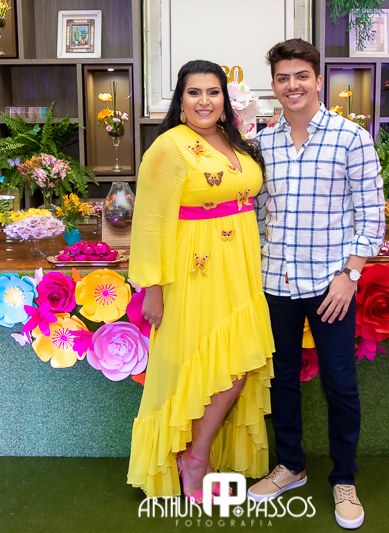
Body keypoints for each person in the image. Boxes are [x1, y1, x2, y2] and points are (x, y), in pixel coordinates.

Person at [248, 39, 385, 530]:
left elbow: (372, 217)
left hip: (332, 286)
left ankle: (344, 478)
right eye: (283, 78)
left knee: (339, 383)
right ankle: (291, 465)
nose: (293, 86)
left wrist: (351, 276)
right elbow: (258, 213)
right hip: (275, 281)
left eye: (301, 76)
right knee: (282, 378)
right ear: (273, 85)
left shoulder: (351, 138)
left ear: (318, 80)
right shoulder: (262, 144)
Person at [127, 60, 275, 503]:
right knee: (212, 366)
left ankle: (196, 455)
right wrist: (153, 288)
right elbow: (149, 221)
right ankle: (194, 459)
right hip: (195, 269)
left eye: (213, 92)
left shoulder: (235, 141)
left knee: (238, 364)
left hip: (241, 267)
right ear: (181, 100)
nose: (205, 101)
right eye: (194, 92)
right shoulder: (169, 147)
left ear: (225, 100)